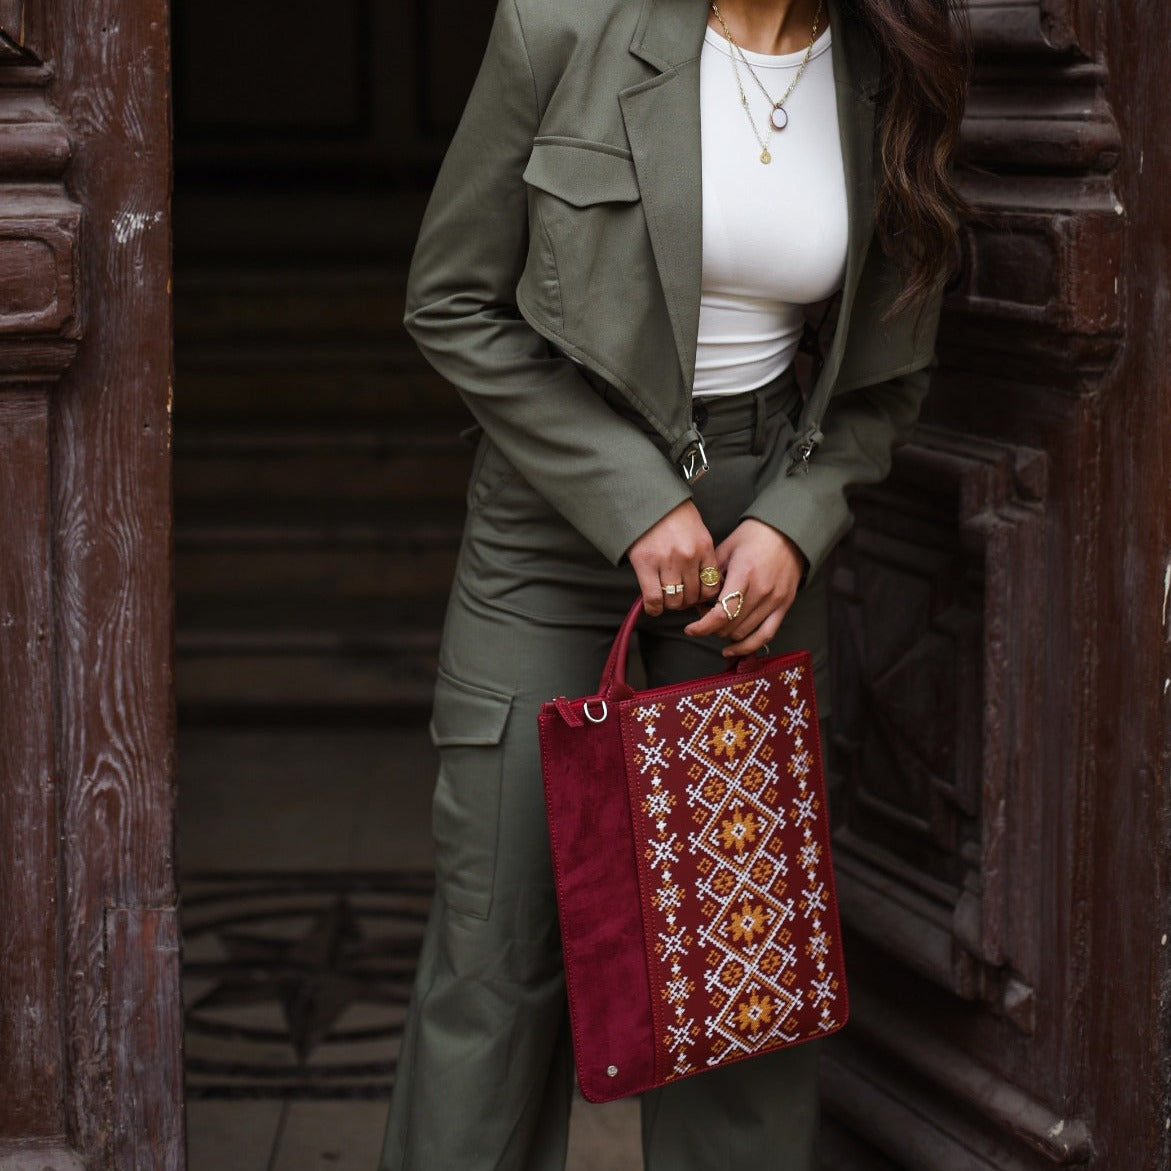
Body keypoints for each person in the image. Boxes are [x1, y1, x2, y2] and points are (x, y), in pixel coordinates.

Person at [378, 0, 968, 1167]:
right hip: (551, 526)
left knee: (738, 971)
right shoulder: (558, 30)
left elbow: (883, 379)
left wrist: (795, 524)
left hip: (754, 538)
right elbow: (449, 301)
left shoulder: (885, 72)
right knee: (499, 952)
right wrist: (630, 497)